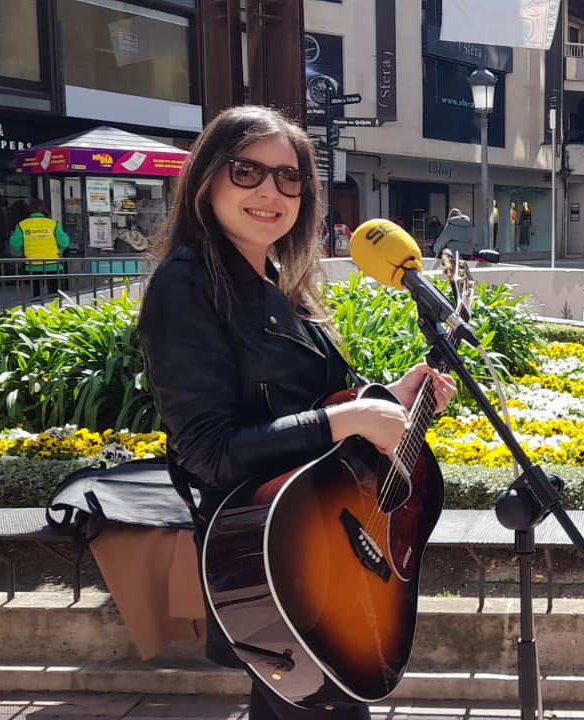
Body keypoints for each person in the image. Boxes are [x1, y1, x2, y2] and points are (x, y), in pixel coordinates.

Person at [136, 105, 457, 720]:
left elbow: (308, 409)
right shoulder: (187, 285)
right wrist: (348, 421)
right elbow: (209, 451)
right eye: (248, 171)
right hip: (272, 553)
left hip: (314, 535)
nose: (271, 192)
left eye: (289, 178)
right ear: (208, 177)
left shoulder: (277, 276)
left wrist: (391, 396)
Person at [9, 200, 70, 296]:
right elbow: (64, 243)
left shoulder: (22, 225)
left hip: (32, 264)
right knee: (53, 292)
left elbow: (16, 245)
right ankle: (54, 308)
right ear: (45, 209)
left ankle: (36, 307)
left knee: (36, 292)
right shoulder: (53, 224)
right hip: (52, 263)